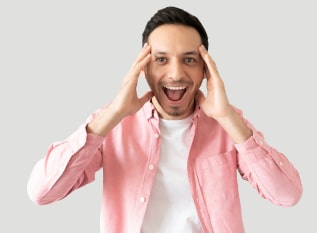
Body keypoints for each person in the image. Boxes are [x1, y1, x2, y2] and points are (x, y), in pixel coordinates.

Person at [27, 6, 303, 233]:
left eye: (189, 60)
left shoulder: (228, 124)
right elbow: (42, 192)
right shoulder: (113, 125)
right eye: (161, 59)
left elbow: (287, 195)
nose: (175, 73)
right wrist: (113, 115)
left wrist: (227, 117)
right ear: (143, 67)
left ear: (206, 70)